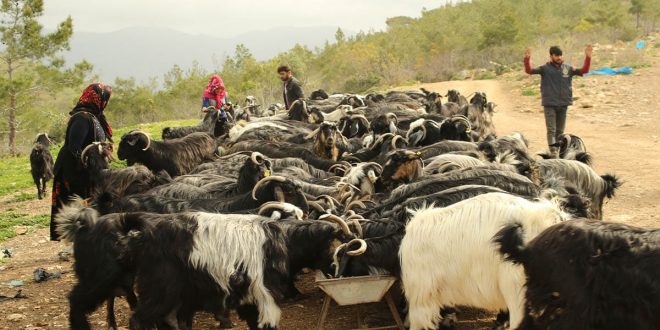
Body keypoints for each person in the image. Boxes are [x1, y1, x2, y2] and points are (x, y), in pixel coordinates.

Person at [50, 83, 112, 241]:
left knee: (86, 205)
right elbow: (74, 146)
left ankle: (85, 239)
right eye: (106, 98)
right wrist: (87, 163)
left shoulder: (95, 117)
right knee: (75, 206)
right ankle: (77, 242)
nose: (106, 102)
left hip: (88, 170)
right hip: (73, 171)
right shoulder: (82, 118)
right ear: (98, 99)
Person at [524, 44, 592, 156]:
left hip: (563, 104)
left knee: (560, 132)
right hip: (549, 104)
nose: (559, 58)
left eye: (560, 55)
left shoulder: (567, 68)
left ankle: (560, 152)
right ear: (550, 56)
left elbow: (584, 70)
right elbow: (529, 71)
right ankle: (553, 151)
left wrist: (588, 57)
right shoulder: (545, 69)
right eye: (556, 55)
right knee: (551, 130)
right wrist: (527, 59)